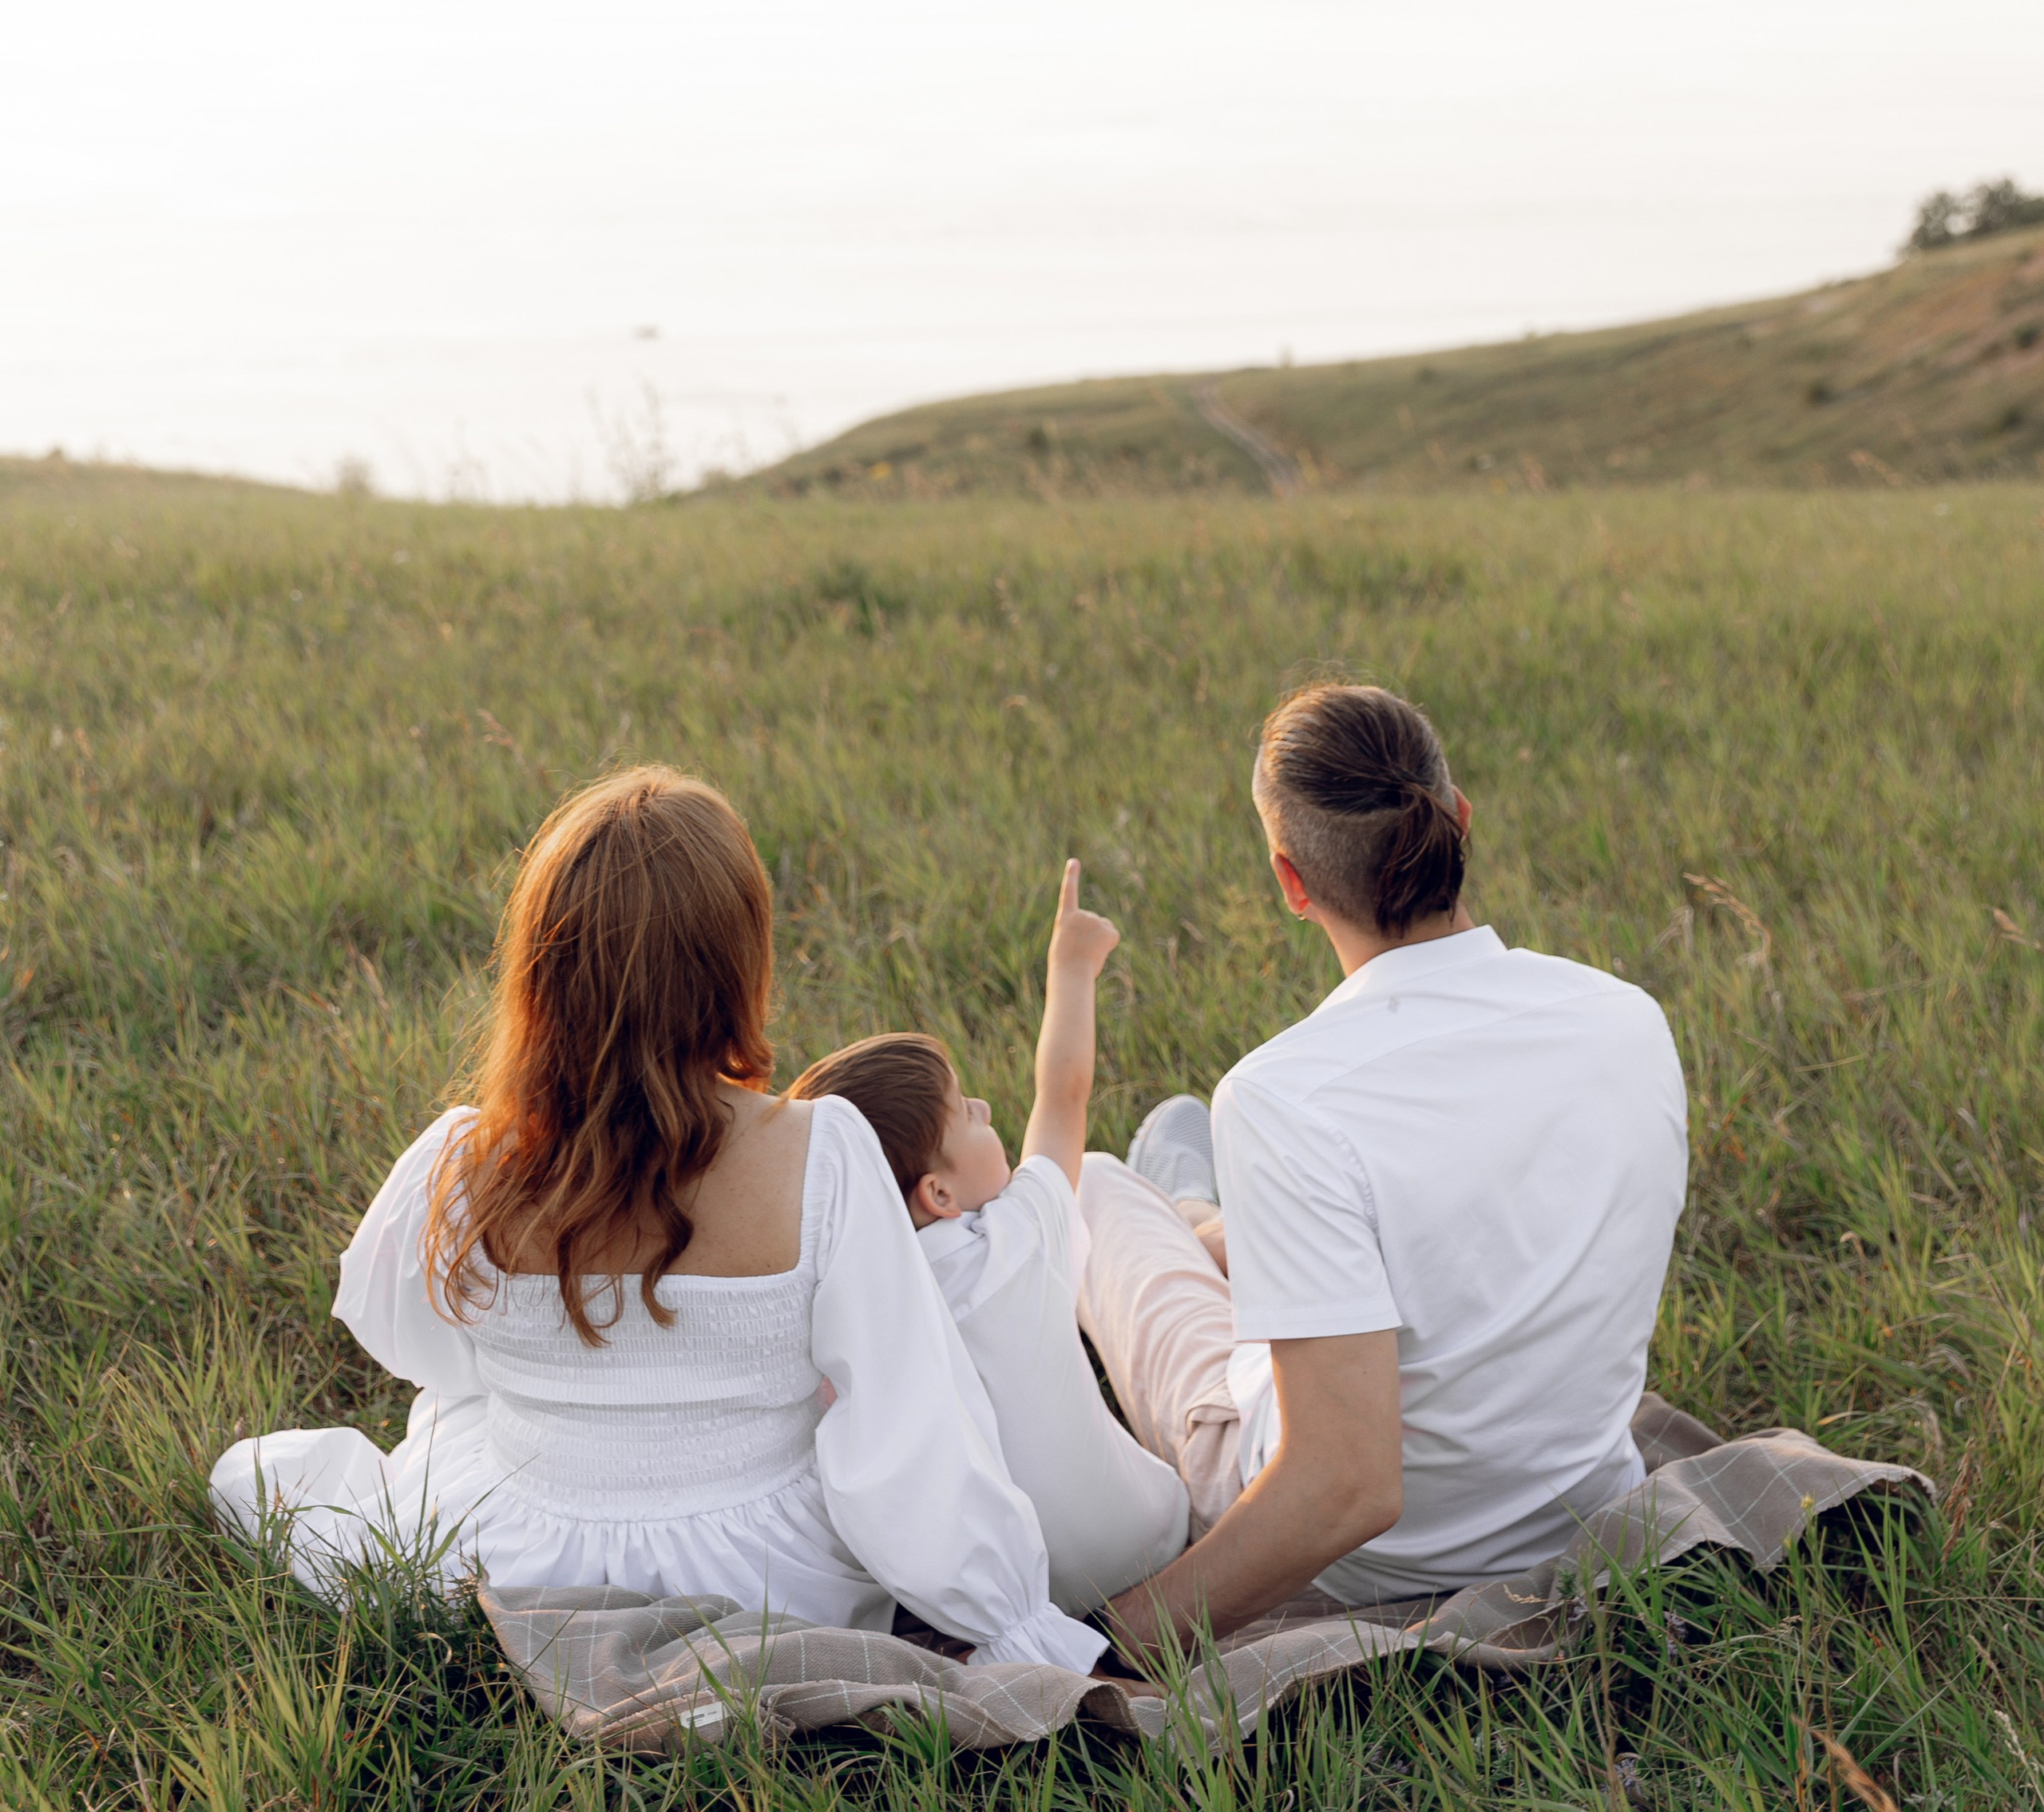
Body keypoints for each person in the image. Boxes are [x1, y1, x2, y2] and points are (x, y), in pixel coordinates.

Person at [209, 767, 1105, 1675]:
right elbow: (908, 1436)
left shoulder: (462, 1160)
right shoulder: (822, 1153)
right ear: (737, 964)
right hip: (765, 1581)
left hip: (523, 1551)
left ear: (538, 975)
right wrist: (1007, 1617)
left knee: (348, 1447)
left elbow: (409, 1340)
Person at [1082, 683, 1688, 1655]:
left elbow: (1342, 1491)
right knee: (1227, 1191)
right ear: (1460, 819)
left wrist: (1102, 1641)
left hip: (1370, 1563)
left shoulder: (1285, 1096)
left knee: (1091, 1187)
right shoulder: (1627, 1016)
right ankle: (1200, 1214)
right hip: (1575, 1508)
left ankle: (1178, 1206)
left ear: (1290, 880)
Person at [791, 860, 1190, 1613]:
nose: (982, 1103)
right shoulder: (1012, 1237)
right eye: (965, 1113)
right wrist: (1071, 965)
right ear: (937, 1194)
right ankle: (1193, 1210)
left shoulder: (845, 1311)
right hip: (1151, 1546)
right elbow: (1063, 1094)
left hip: (1008, 1600)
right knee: (1098, 1176)